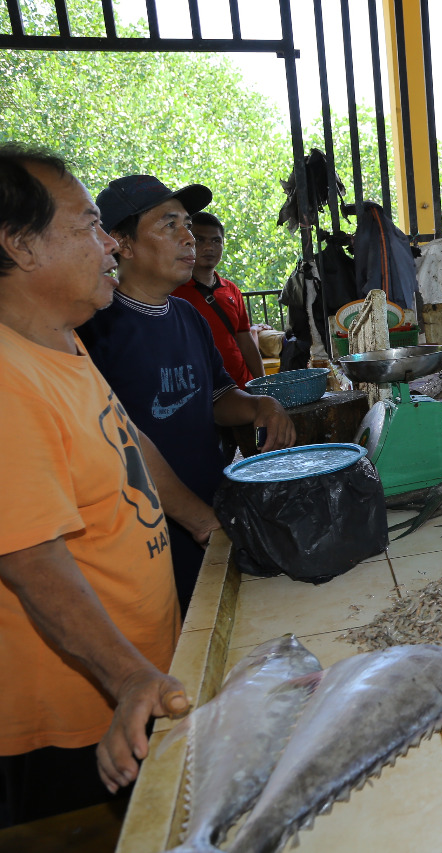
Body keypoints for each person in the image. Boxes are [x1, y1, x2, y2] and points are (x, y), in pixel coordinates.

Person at [0, 145, 218, 825]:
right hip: (79, 719)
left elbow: (132, 445)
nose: (109, 247)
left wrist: (207, 525)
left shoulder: (62, 341)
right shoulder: (7, 378)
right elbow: (29, 557)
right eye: (88, 227)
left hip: (137, 679)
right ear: (21, 246)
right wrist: (127, 678)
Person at [78, 175, 295, 615]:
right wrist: (197, 518)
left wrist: (260, 404)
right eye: (169, 225)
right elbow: (108, 444)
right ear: (122, 243)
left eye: (188, 224)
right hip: (144, 533)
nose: (189, 238)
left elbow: (216, 398)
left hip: (209, 512)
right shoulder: (94, 329)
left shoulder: (186, 316)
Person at [172, 210, 267, 389]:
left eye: (216, 241)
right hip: (202, 392)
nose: (209, 247)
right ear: (187, 242)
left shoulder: (231, 290)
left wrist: (262, 384)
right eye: (200, 240)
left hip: (242, 387)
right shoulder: (172, 292)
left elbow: (245, 342)